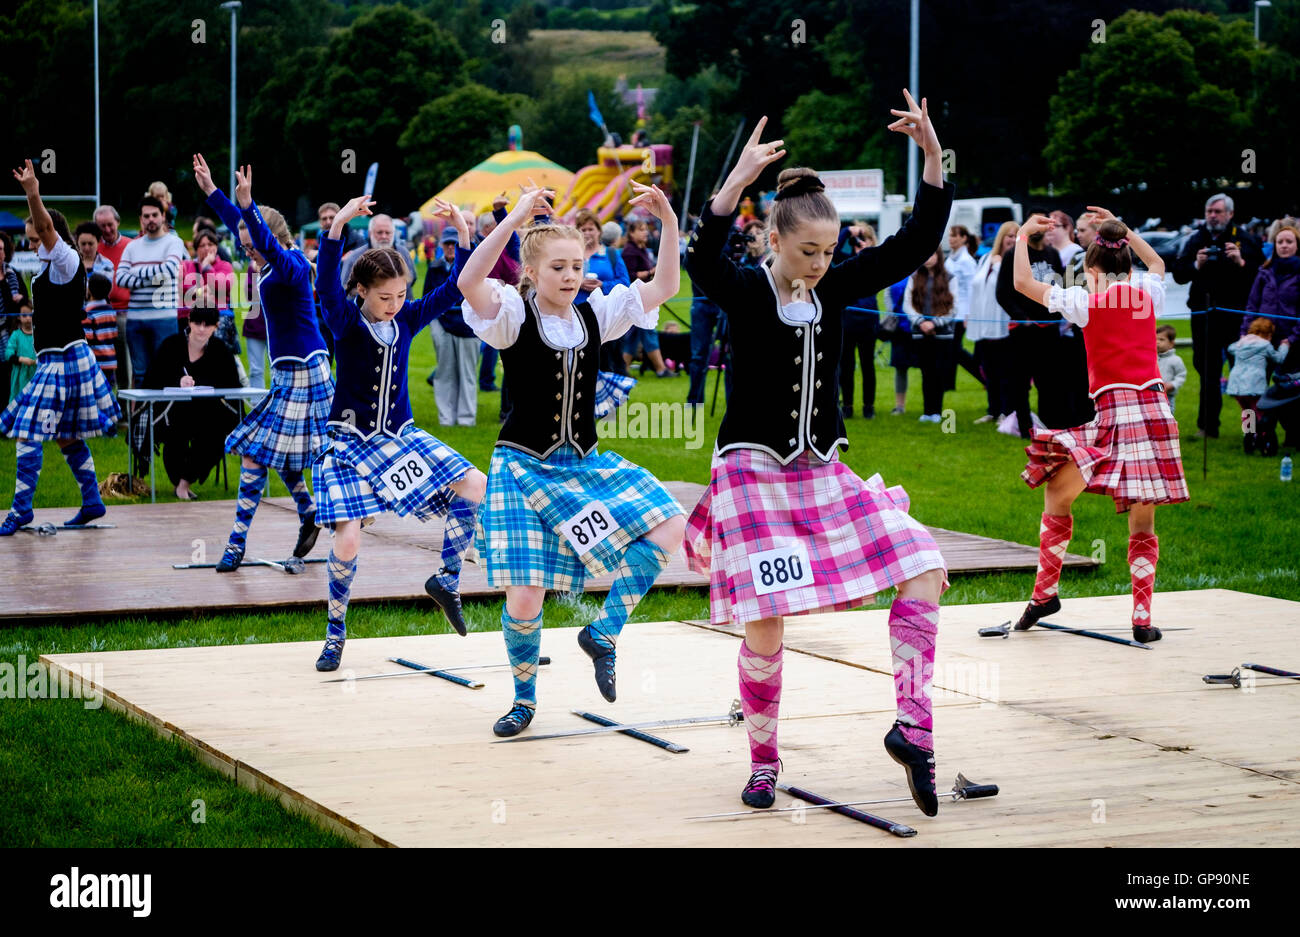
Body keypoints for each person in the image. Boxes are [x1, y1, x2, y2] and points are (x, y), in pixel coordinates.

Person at [683, 94, 954, 815]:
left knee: (925, 563)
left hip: (821, 470)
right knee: (767, 620)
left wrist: (932, 155)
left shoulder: (834, 287)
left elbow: (915, 241)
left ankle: (913, 726)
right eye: (808, 250)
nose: (821, 262)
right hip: (751, 471)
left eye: (830, 251)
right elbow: (700, 259)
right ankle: (765, 760)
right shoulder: (744, 289)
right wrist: (732, 184)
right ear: (773, 237)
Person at [457, 182, 686, 738]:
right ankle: (523, 700)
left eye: (576, 265)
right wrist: (512, 220)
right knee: (526, 593)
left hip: (582, 464)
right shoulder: (512, 315)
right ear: (532, 272)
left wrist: (669, 221)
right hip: (521, 465)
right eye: (557, 266)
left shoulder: (597, 316)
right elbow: (469, 282)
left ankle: (603, 632)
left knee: (671, 521)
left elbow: (666, 284)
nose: (568, 275)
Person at [312, 194, 488, 670]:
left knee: (475, 484)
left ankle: (447, 579)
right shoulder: (345, 321)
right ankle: (335, 633)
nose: (395, 305)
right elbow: (326, 284)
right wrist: (339, 226)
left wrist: (465, 235)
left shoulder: (408, 318)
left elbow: (455, 289)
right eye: (384, 297)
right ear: (363, 291)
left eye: (401, 296)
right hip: (349, 443)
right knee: (348, 540)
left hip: (401, 436)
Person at [1012, 209, 1187, 644]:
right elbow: (1159, 265)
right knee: (1141, 520)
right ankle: (1142, 619)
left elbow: (1021, 285)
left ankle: (1045, 593)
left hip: (1115, 412)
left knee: (1057, 490)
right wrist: (1125, 228)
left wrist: (1020, 237)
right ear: (1128, 264)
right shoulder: (1147, 291)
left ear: (1092, 270)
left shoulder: (1085, 302)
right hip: (1154, 410)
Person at [193, 153, 331, 572]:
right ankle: (307, 512)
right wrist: (215, 194)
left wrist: (250, 208)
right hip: (291, 372)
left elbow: (264, 239)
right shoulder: (272, 262)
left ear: (269, 237)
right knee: (280, 455)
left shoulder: (289, 264)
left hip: (306, 374)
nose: (246, 250)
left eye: (250, 244)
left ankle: (236, 544)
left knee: (255, 453)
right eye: (243, 244)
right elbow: (249, 229)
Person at [1, 160, 120, 535]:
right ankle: (92, 501)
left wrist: (32, 192)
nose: (32, 244)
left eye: (35, 239)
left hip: (64, 360)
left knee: (28, 431)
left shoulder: (65, 259)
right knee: (66, 434)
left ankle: (22, 509)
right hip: (61, 359)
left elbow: (48, 226)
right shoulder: (50, 268)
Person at [1173, 193, 1265, 439]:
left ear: (1230, 214)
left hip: (1237, 316)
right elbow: (1178, 274)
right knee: (1207, 372)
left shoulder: (1246, 240)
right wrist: (1196, 265)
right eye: (1209, 212)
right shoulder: (1195, 239)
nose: (1212, 216)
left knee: (1245, 374)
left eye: (1218, 211)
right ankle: (1208, 427)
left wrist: (1241, 262)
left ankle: (1251, 429)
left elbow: (1262, 277)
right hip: (1203, 314)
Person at [142, 302, 242, 500]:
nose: (201, 329)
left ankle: (184, 483)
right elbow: (151, 379)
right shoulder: (171, 345)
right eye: (197, 323)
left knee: (214, 435)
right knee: (174, 435)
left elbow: (233, 385)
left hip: (210, 412)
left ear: (216, 326)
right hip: (173, 411)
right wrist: (176, 381)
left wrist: (207, 384)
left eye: (208, 325)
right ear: (189, 322)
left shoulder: (221, 350)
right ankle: (180, 482)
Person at [997, 212, 1070, 437]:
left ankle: (1049, 427)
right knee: (1020, 384)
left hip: (1049, 331)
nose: (1040, 227)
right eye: (1034, 223)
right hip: (1023, 331)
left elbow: (1061, 287)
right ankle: (1026, 427)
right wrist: (1022, 318)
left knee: (1049, 382)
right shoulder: (1014, 255)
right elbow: (1003, 293)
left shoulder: (1053, 255)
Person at [115, 196, 187, 387]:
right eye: (146, 216)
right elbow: (120, 279)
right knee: (140, 375)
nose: (151, 219)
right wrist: (155, 273)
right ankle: (142, 416)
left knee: (166, 371)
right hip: (135, 321)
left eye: (155, 215)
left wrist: (137, 273)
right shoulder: (132, 247)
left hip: (165, 319)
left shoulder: (173, 242)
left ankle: (164, 417)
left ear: (163, 216)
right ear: (141, 219)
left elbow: (170, 270)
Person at [428, 225, 482, 428]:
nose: (451, 247)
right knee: (444, 373)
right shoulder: (434, 267)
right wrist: (436, 324)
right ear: (442, 244)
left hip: (468, 327)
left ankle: (467, 419)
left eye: (454, 243)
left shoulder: (474, 265)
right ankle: (446, 418)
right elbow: (427, 296)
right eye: (447, 243)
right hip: (443, 324)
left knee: (467, 373)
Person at [968, 221, 1017, 424]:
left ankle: (1008, 410)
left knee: (1005, 369)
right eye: (1009, 236)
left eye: (1016, 236)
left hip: (1004, 323)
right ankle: (993, 409)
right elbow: (976, 287)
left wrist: (998, 266)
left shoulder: (1015, 261)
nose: (1012, 240)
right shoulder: (985, 258)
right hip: (984, 323)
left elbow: (1008, 287)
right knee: (988, 369)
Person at [904, 249, 958, 422]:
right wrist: (921, 322)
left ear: (939, 256)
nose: (928, 258)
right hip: (921, 334)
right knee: (926, 373)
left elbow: (953, 307)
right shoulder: (914, 278)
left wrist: (934, 323)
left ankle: (937, 410)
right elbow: (907, 305)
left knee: (939, 373)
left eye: (932, 254)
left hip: (943, 336)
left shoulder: (950, 278)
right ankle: (927, 411)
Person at [1241, 222, 1300, 374]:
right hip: (1262, 338)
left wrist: (1292, 338)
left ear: (1297, 245)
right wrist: (1245, 332)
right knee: (1257, 385)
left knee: (1288, 388)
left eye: (1289, 242)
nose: (1284, 246)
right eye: (1279, 242)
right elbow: (1252, 305)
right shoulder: (1264, 272)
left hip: (1290, 341)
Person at [1227, 318, 1289, 454]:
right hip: (1254, 385)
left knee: (1247, 412)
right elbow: (1278, 359)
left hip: (1237, 386)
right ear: (1268, 334)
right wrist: (1285, 346)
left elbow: (1230, 348)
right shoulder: (1265, 345)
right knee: (1260, 413)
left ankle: (1248, 439)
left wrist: (1243, 339)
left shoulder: (1240, 343)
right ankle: (1264, 440)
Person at [620, 219, 672, 377]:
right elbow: (629, 276)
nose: (645, 232)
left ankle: (622, 369)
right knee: (649, 331)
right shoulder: (629, 251)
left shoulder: (641, 249)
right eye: (641, 229)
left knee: (634, 336)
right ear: (631, 233)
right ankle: (661, 369)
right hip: (637, 298)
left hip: (644, 297)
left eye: (645, 229)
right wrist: (651, 272)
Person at [838, 223, 880, 419]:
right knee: (846, 365)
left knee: (867, 364)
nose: (860, 243)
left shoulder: (875, 261)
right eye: (859, 240)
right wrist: (847, 233)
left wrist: (866, 251)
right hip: (848, 321)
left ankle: (868, 406)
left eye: (865, 239)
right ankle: (847, 405)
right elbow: (835, 252)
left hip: (868, 321)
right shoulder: (847, 262)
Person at [180, 228, 237, 354]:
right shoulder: (187, 266)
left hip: (219, 319)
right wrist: (201, 291)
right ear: (196, 249)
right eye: (202, 245)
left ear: (216, 247)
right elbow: (182, 288)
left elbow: (223, 287)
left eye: (210, 244)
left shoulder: (225, 266)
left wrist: (206, 267)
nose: (206, 248)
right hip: (192, 320)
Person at [94, 205, 133, 387]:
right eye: (102, 226)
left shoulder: (130, 246)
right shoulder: (94, 247)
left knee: (125, 363)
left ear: (117, 222)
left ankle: (126, 407)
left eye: (110, 224)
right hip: (100, 313)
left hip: (125, 313)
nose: (107, 230)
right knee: (101, 363)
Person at [339, 214, 415, 292]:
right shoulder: (355, 257)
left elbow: (412, 278)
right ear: (370, 233)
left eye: (388, 232)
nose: (384, 236)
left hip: (403, 303)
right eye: (379, 232)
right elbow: (345, 288)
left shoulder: (403, 252)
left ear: (393, 233)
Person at [82, 273, 118, 393]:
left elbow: (87, 337)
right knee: (107, 392)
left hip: (95, 361)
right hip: (110, 361)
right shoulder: (110, 310)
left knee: (94, 393)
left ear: (90, 291)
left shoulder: (88, 312)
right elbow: (114, 334)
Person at [241, 256, 268, 389]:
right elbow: (249, 295)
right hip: (255, 324)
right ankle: (257, 404)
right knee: (256, 370)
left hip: (277, 327)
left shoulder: (281, 264)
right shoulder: (253, 267)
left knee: (280, 369)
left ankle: (279, 405)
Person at [6, 303, 36, 401]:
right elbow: (8, 353)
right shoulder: (16, 335)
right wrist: (21, 359)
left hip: (36, 374)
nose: (28, 318)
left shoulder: (38, 333)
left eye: (30, 315)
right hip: (20, 377)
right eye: (24, 315)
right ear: (18, 317)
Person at [1155, 325, 1186, 413]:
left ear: (1172, 343)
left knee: (1167, 417)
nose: (1157, 342)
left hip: (1168, 397)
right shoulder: (1152, 358)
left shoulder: (1176, 360)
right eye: (1156, 339)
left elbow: (1181, 376)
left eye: (1161, 340)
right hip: (1153, 394)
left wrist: (1172, 385)